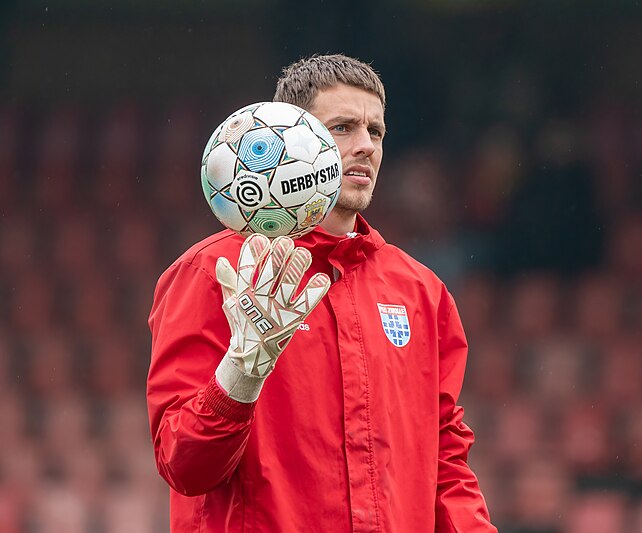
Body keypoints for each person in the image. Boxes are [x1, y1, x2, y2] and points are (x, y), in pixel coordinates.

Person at [147, 53, 496, 532]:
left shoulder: (421, 291)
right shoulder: (214, 272)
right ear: (288, 142)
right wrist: (238, 380)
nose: (365, 146)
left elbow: (447, 460)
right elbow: (182, 466)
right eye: (343, 128)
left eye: (375, 132)